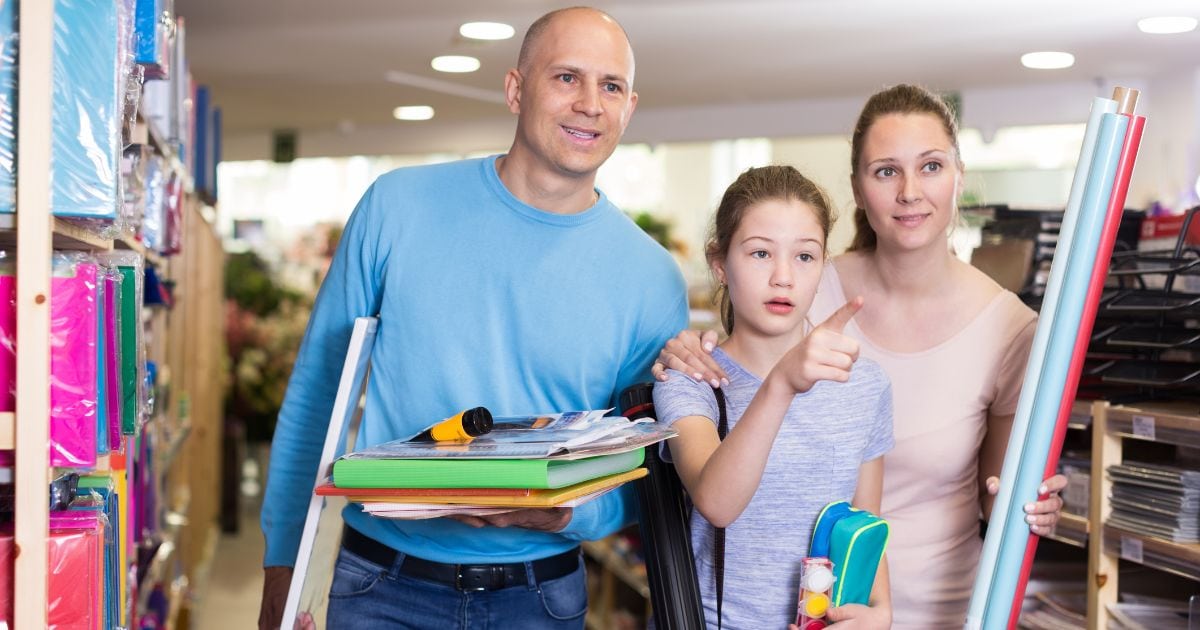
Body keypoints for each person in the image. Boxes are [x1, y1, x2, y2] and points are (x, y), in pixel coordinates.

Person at [256, 8, 688, 630]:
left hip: (539, 598)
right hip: (381, 584)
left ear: (629, 106)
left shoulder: (652, 278)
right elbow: (318, 395)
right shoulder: (396, 207)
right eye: (567, 77)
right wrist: (283, 570)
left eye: (611, 86)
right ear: (516, 89)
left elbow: (641, 466)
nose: (590, 103)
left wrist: (569, 514)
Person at [652, 84, 1066, 629]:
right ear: (859, 189)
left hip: (923, 605)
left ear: (960, 176)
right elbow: (719, 490)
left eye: (932, 166)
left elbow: (878, 516)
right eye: (886, 171)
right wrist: (700, 351)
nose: (910, 191)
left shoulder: (997, 334)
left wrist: (1031, 508)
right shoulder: (793, 295)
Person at [653, 165, 893, 629]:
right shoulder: (689, 380)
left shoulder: (866, 385)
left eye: (805, 257)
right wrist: (780, 384)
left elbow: (864, 523)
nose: (783, 277)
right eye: (761, 253)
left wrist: (880, 613)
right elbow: (717, 503)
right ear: (720, 264)